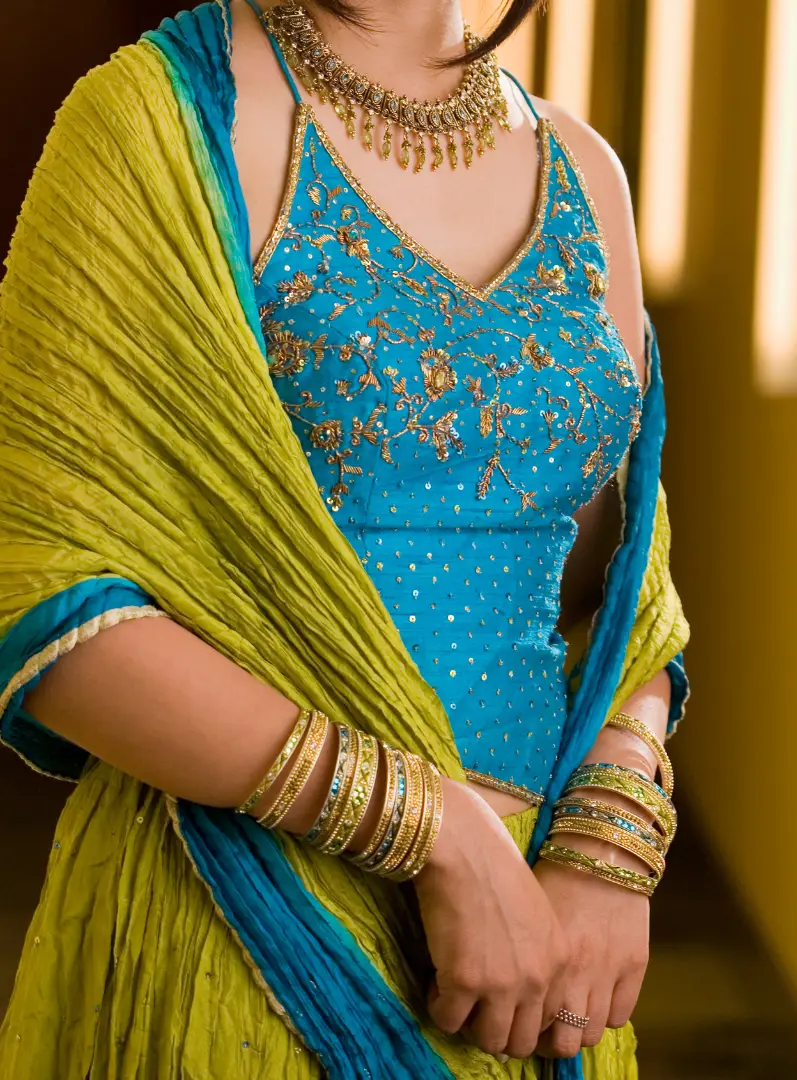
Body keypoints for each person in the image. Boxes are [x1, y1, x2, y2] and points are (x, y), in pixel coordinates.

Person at [0, 1, 688, 1075]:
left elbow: (616, 599)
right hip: (248, 925)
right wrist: (432, 830)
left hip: (540, 965)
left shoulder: (584, 169)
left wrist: (615, 829)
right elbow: (52, 603)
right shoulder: (160, 126)